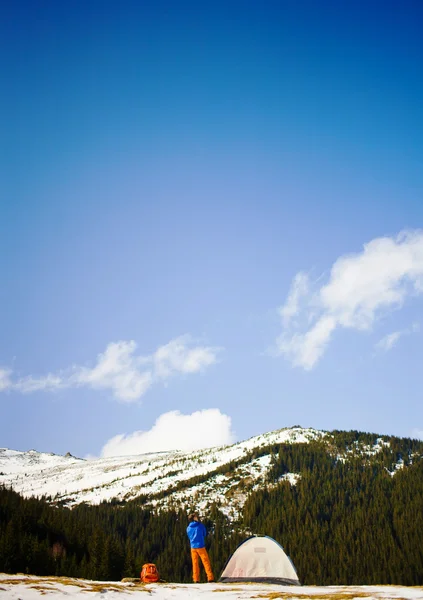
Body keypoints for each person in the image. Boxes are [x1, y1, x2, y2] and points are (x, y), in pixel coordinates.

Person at [186, 512, 215, 583]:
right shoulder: (200, 526)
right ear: (194, 518)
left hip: (193, 547)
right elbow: (204, 534)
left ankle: (196, 579)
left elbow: (189, 537)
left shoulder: (188, 528)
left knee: (195, 563)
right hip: (201, 546)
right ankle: (210, 577)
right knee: (205, 562)